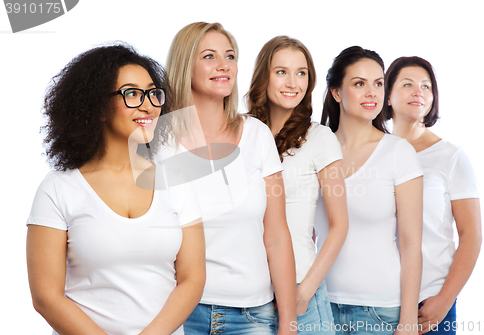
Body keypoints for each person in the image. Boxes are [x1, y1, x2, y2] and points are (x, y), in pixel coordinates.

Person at [26, 43, 205, 335]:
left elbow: (193, 278)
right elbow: (46, 297)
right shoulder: (58, 189)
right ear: (97, 107)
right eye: (132, 94)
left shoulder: (176, 181)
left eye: (152, 93)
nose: (148, 105)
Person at [160, 22, 296, 335]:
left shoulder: (257, 136)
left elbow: (276, 235)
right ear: (185, 66)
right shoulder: (158, 142)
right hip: (177, 312)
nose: (224, 65)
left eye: (230, 56)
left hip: (251, 316)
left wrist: (288, 323)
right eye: (209, 56)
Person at [316, 46, 423, 335]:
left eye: (378, 83)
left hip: (380, 312)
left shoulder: (398, 152)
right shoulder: (315, 147)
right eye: (359, 84)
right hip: (319, 305)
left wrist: (408, 320)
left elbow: (411, 244)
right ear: (336, 92)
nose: (372, 93)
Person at [247, 36, 348, 334]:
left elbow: (339, 225)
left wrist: (304, 291)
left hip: (300, 287)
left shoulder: (320, 139)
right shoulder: (244, 132)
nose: (293, 82)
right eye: (281, 72)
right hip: (249, 291)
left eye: (301, 73)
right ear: (263, 77)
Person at [383, 56, 482, 335]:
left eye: (426, 86)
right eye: (408, 84)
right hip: (376, 302)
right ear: (387, 96)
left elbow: (471, 234)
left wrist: (445, 300)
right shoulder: (374, 154)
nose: (418, 91)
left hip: (428, 304)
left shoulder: (450, 157)